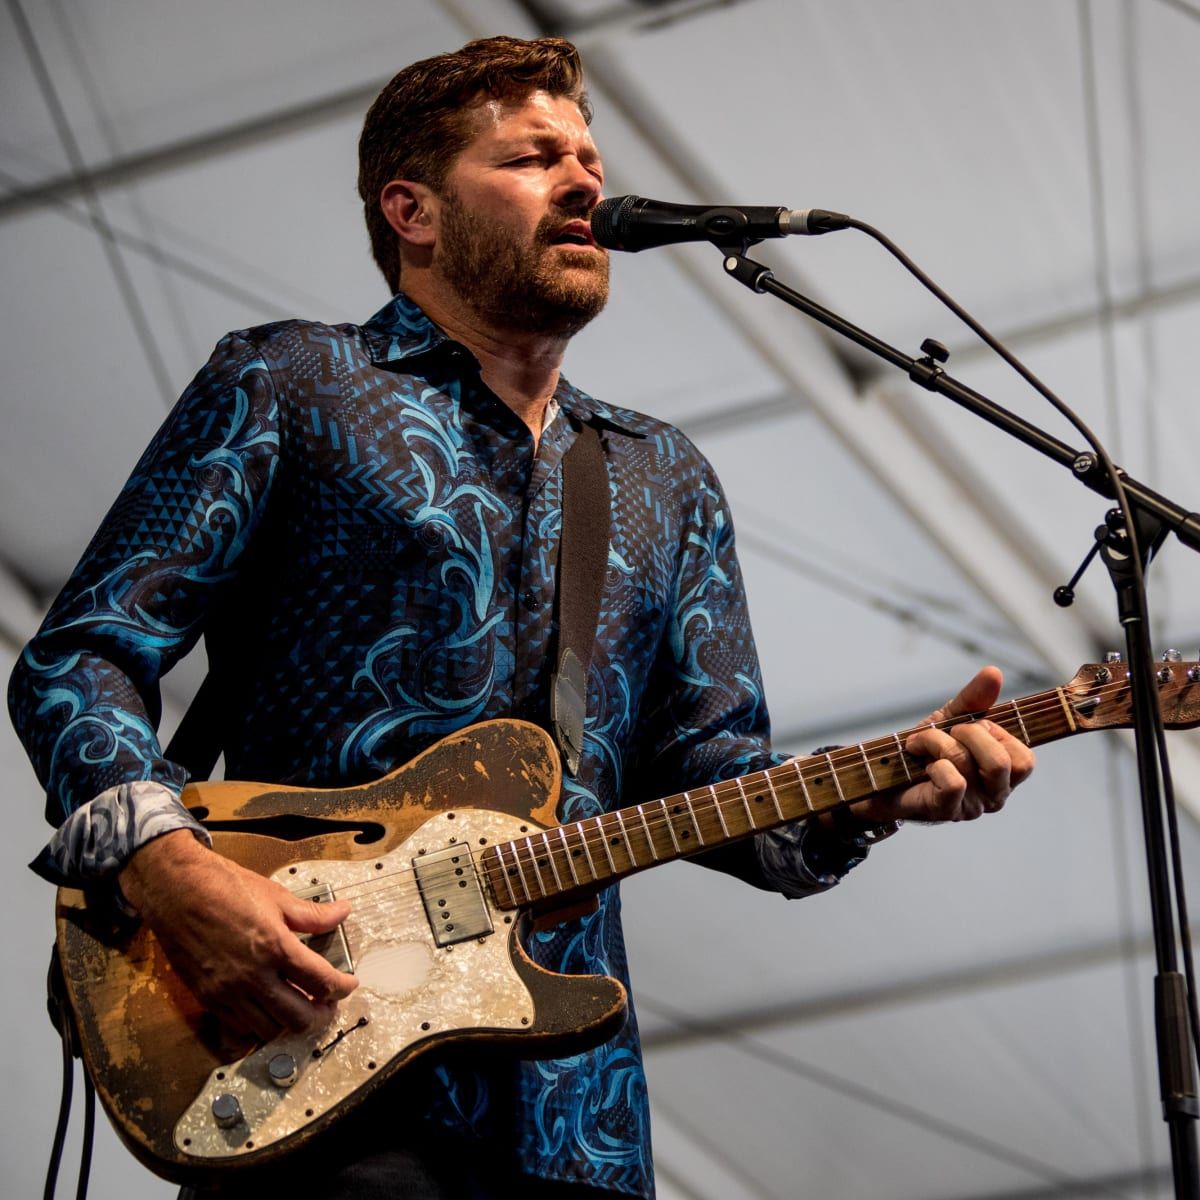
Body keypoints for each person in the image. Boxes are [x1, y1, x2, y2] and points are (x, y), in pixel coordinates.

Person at [9, 35, 1034, 1200]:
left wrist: (872, 797)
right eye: (535, 157)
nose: (587, 179)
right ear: (415, 211)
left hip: (578, 1126)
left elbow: (723, 787)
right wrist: (169, 871)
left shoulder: (662, 475)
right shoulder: (292, 384)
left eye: (589, 155)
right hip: (312, 1074)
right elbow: (81, 654)